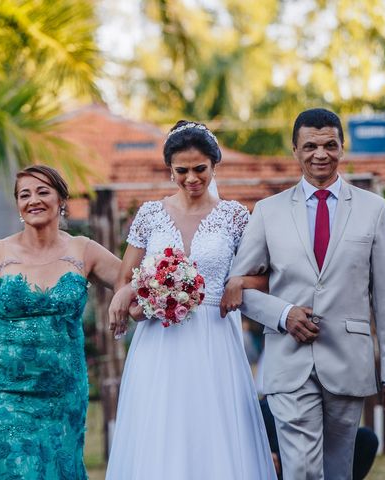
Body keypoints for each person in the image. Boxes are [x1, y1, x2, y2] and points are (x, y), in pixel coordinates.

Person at [228, 108, 385, 479]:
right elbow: (236, 285)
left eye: (329, 145)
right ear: (295, 150)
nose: (320, 154)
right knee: (303, 470)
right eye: (310, 145)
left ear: (343, 147)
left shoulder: (374, 210)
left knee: (338, 470)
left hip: (347, 360)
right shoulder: (267, 212)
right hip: (288, 361)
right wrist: (284, 314)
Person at [106, 120, 277, 479]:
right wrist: (142, 297)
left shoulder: (234, 217)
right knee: (161, 430)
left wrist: (239, 282)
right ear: (170, 170)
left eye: (200, 169)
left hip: (214, 337)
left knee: (212, 429)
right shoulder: (151, 215)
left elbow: (265, 275)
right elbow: (126, 278)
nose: (191, 178)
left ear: (215, 166)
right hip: (160, 341)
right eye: (181, 170)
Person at [0, 165, 121, 480]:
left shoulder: (83, 249)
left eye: (43, 191)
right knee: (17, 471)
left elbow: (133, 283)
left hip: (64, 393)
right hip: (7, 394)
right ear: (18, 205)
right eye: (24, 194)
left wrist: (126, 297)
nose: (33, 200)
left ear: (62, 199)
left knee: (61, 470)